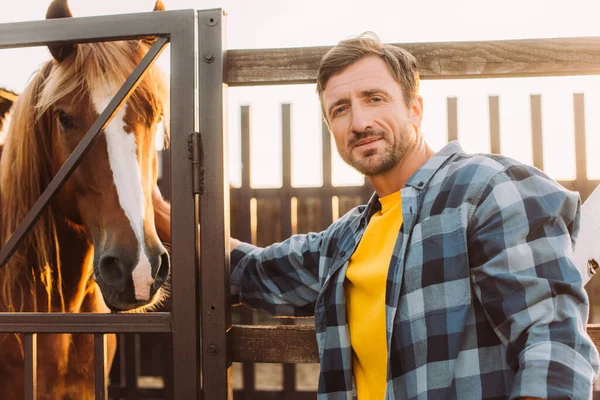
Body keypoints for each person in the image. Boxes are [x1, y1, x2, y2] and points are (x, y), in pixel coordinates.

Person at [153, 33, 600, 398]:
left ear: (415, 109)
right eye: (340, 109)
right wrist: (150, 210)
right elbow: (250, 271)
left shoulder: (488, 189)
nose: (358, 121)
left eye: (374, 98)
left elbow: (552, 340)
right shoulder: (346, 240)